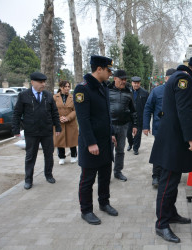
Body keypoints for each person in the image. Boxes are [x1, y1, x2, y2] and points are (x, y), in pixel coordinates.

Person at [149, 57, 192, 243]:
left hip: (174, 138)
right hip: (174, 141)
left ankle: (171, 213)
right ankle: (161, 224)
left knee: (173, 182)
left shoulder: (180, 78)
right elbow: (183, 110)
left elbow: (181, 108)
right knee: (167, 183)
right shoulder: (184, 80)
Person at [73, 55, 118, 225]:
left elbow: (106, 115)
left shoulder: (103, 87)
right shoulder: (82, 89)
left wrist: (111, 133)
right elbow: (83, 119)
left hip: (105, 141)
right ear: (99, 69)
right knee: (87, 179)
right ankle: (86, 210)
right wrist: (91, 143)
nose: (110, 74)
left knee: (105, 176)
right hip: (90, 144)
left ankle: (104, 203)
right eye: (108, 70)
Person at [12, 72, 61, 190]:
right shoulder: (24, 95)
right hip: (31, 131)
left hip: (46, 130)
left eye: (44, 82)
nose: (43, 84)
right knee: (30, 156)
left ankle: (48, 175)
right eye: (40, 82)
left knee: (49, 154)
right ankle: (28, 180)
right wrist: (16, 129)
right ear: (32, 82)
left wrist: (57, 127)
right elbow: (17, 113)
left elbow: (54, 112)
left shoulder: (48, 95)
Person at [143, 68, 176, 188]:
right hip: (160, 128)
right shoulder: (157, 91)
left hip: (175, 129)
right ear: (166, 78)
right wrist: (145, 126)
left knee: (172, 152)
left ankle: (168, 174)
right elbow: (148, 108)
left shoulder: (179, 91)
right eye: (170, 77)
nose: (173, 80)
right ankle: (156, 176)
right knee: (159, 152)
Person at [109, 69, 138, 182]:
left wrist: (135, 124)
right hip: (109, 126)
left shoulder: (128, 92)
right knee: (108, 151)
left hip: (123, 126)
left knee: (120, 150)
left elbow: (133, 111)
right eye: (122, 79)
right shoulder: (107, 90)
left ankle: (118, 172)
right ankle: (106, 174)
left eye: (125, 79)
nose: (124, 81)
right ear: (115, 78)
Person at [53, 80, 78, 165]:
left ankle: (74, 156)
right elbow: (52, 110)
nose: (67, 88)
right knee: (59, 140)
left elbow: (75, 110)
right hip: (59, 122)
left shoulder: (73, 97)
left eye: (68, 86)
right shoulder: (55, 97)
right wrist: (59, 118)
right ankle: (61, 157)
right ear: (61, 87)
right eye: (65, 86)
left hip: (70, 122)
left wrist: (68, 118)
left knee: (72, 139)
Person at [126, 76, 149, 155]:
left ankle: (136, 148)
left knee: (137, 134)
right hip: (129, 117)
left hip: (139, 117)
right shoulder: (127, 91)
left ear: (140, 83)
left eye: (138, 83)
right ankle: (130, 143)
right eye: (134, 83)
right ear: (132, 83)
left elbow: (147, 106)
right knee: (128, 133)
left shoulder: (145, 93)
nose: (136, 85)